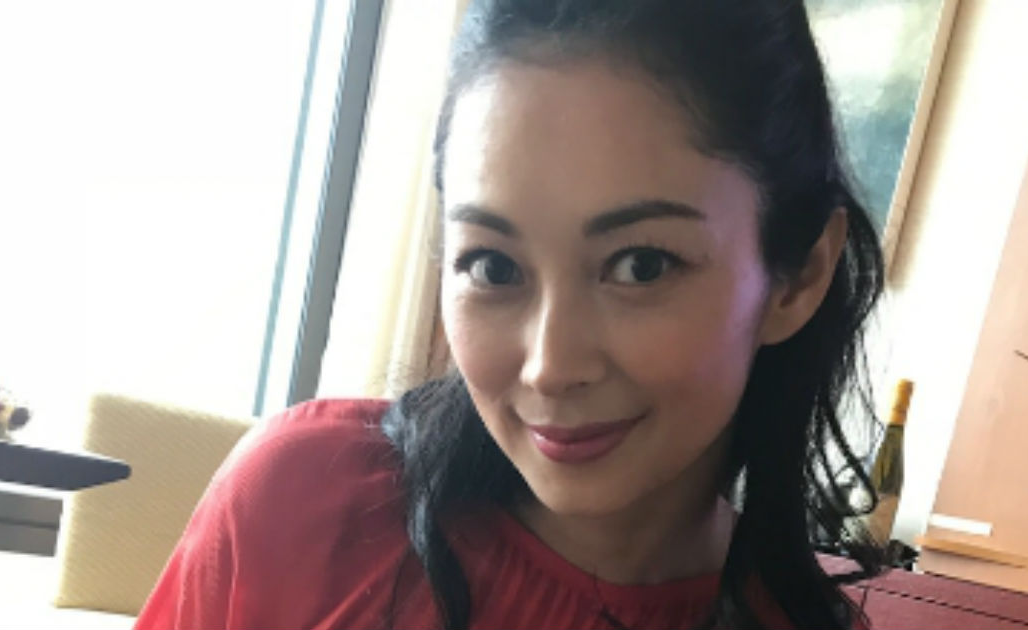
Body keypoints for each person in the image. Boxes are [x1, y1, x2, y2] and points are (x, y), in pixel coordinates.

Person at [135, 0, 886, 627]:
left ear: (797, 279)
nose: (550, 366)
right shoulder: (304, 500)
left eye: (641, 265)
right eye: (493, 266)